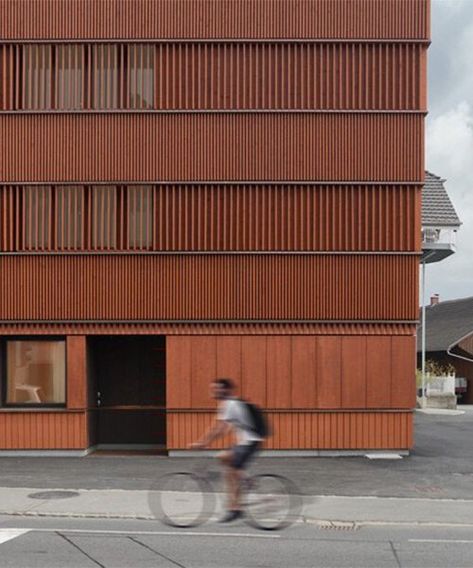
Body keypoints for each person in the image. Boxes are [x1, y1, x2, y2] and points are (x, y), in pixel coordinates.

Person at [190, 378, 263, 522]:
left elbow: (219, 429)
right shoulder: (234, 404)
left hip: (250, 443)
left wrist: (202, 443)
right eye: (213, 388)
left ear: (226, 390)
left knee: (231, 471)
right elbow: (225, 430)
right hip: (247, 442)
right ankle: (245, 480)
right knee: (223, 458)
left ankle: (235, 508)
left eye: (217, 388)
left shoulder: (229, 404)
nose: (214, 391)